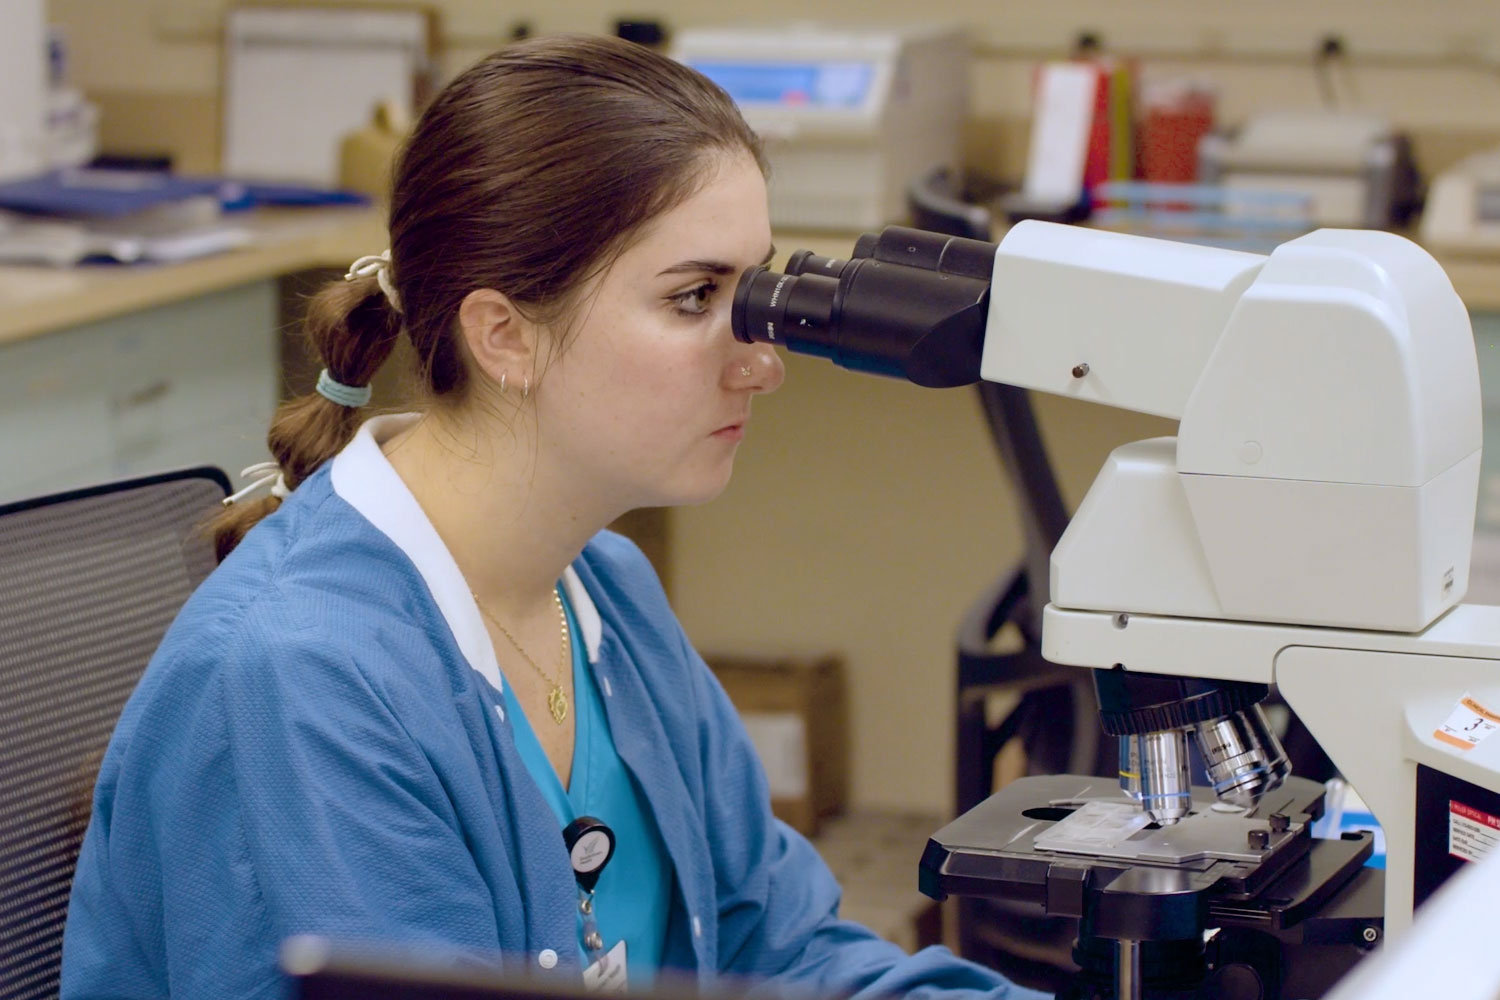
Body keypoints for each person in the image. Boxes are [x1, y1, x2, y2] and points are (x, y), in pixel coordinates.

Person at [60, 34, 1047, 1000]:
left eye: (750, 292)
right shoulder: (304, 680)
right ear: (504, 335)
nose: (762, 360)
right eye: (695, 296)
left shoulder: (607, 589)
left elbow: (778, 946)